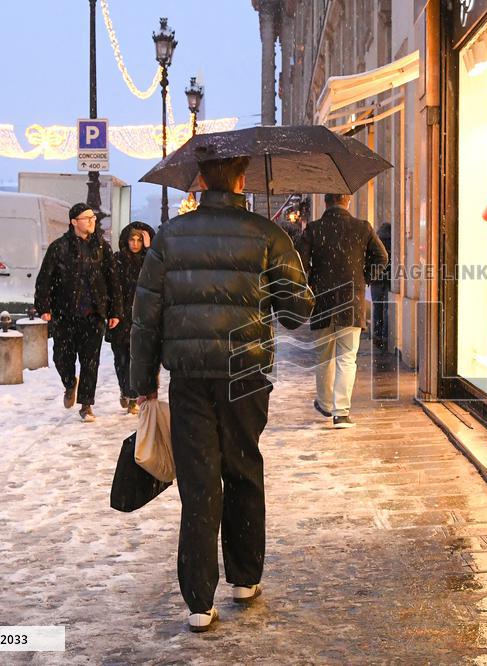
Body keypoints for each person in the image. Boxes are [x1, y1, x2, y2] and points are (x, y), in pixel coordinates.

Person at [130, 156, 314, 633]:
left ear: (200, 180)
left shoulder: (170, 236)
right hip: (246, 375)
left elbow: (145, 314)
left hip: (189, 376)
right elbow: (297, 313)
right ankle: (245, 577)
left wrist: (141, 382)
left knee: (199, 483)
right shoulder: (267, 234)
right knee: (243, 468)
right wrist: (286, 270)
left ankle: (198, 600)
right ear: (240, 179)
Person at [295, 193, 388, 428]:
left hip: (322, 302)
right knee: (347, 358)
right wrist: (364, 278)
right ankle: (341, 413)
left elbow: (299, 264)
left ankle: (325, 404)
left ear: (326, 202)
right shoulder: (362, 228)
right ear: (347, 201)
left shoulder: (314, 230)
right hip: (351, 301)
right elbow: (382, 257)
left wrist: (312, 280)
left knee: (324, 357)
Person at [34, 203, 122, 423]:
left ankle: (86, 405)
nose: (92, 221)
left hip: (94, 314)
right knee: (62, 357)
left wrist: (115, 311)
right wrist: (44, 307)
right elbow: (44, 279)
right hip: (65, 313)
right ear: (74, 222)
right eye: (87, 218)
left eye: (93, 217)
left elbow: (113, 281)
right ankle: (69, 382)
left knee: (90, 361)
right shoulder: (59, 248)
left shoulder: (102, 247)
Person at [106, 221, 154, 415]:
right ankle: (125, 389)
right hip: (122, 316)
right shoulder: (117, 260)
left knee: (138, 359)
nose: (135, 244)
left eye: (139, 240)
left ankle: (133, 396)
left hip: (143, 316)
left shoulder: (150, 260)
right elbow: (112, 288)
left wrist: (151, 247)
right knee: (121, 358)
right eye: (132, 239)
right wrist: (114, 312)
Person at [370, 221, 393, 349]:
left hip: (377, 279)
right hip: (389, 279)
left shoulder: (376, 242)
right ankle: (385, 336)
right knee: (387, 309)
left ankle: (377, 335)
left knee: (377, 308)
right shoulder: (393, 242)